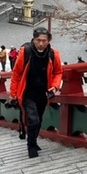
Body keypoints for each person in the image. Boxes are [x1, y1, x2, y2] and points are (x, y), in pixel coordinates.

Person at [10, 27, 63, 159]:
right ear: (33, 39)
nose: (41, 43)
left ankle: (33, 140)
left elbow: (58, 72)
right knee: (33, 120)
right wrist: (13, 93)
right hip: (27, 92)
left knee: (39, 119)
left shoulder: (53, 54)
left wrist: (55, 86)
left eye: (44, 41)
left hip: (43, 93)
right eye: (38, 40)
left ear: (48, 41)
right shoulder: (25, 52)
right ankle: (31, 145)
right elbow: (16, 73)